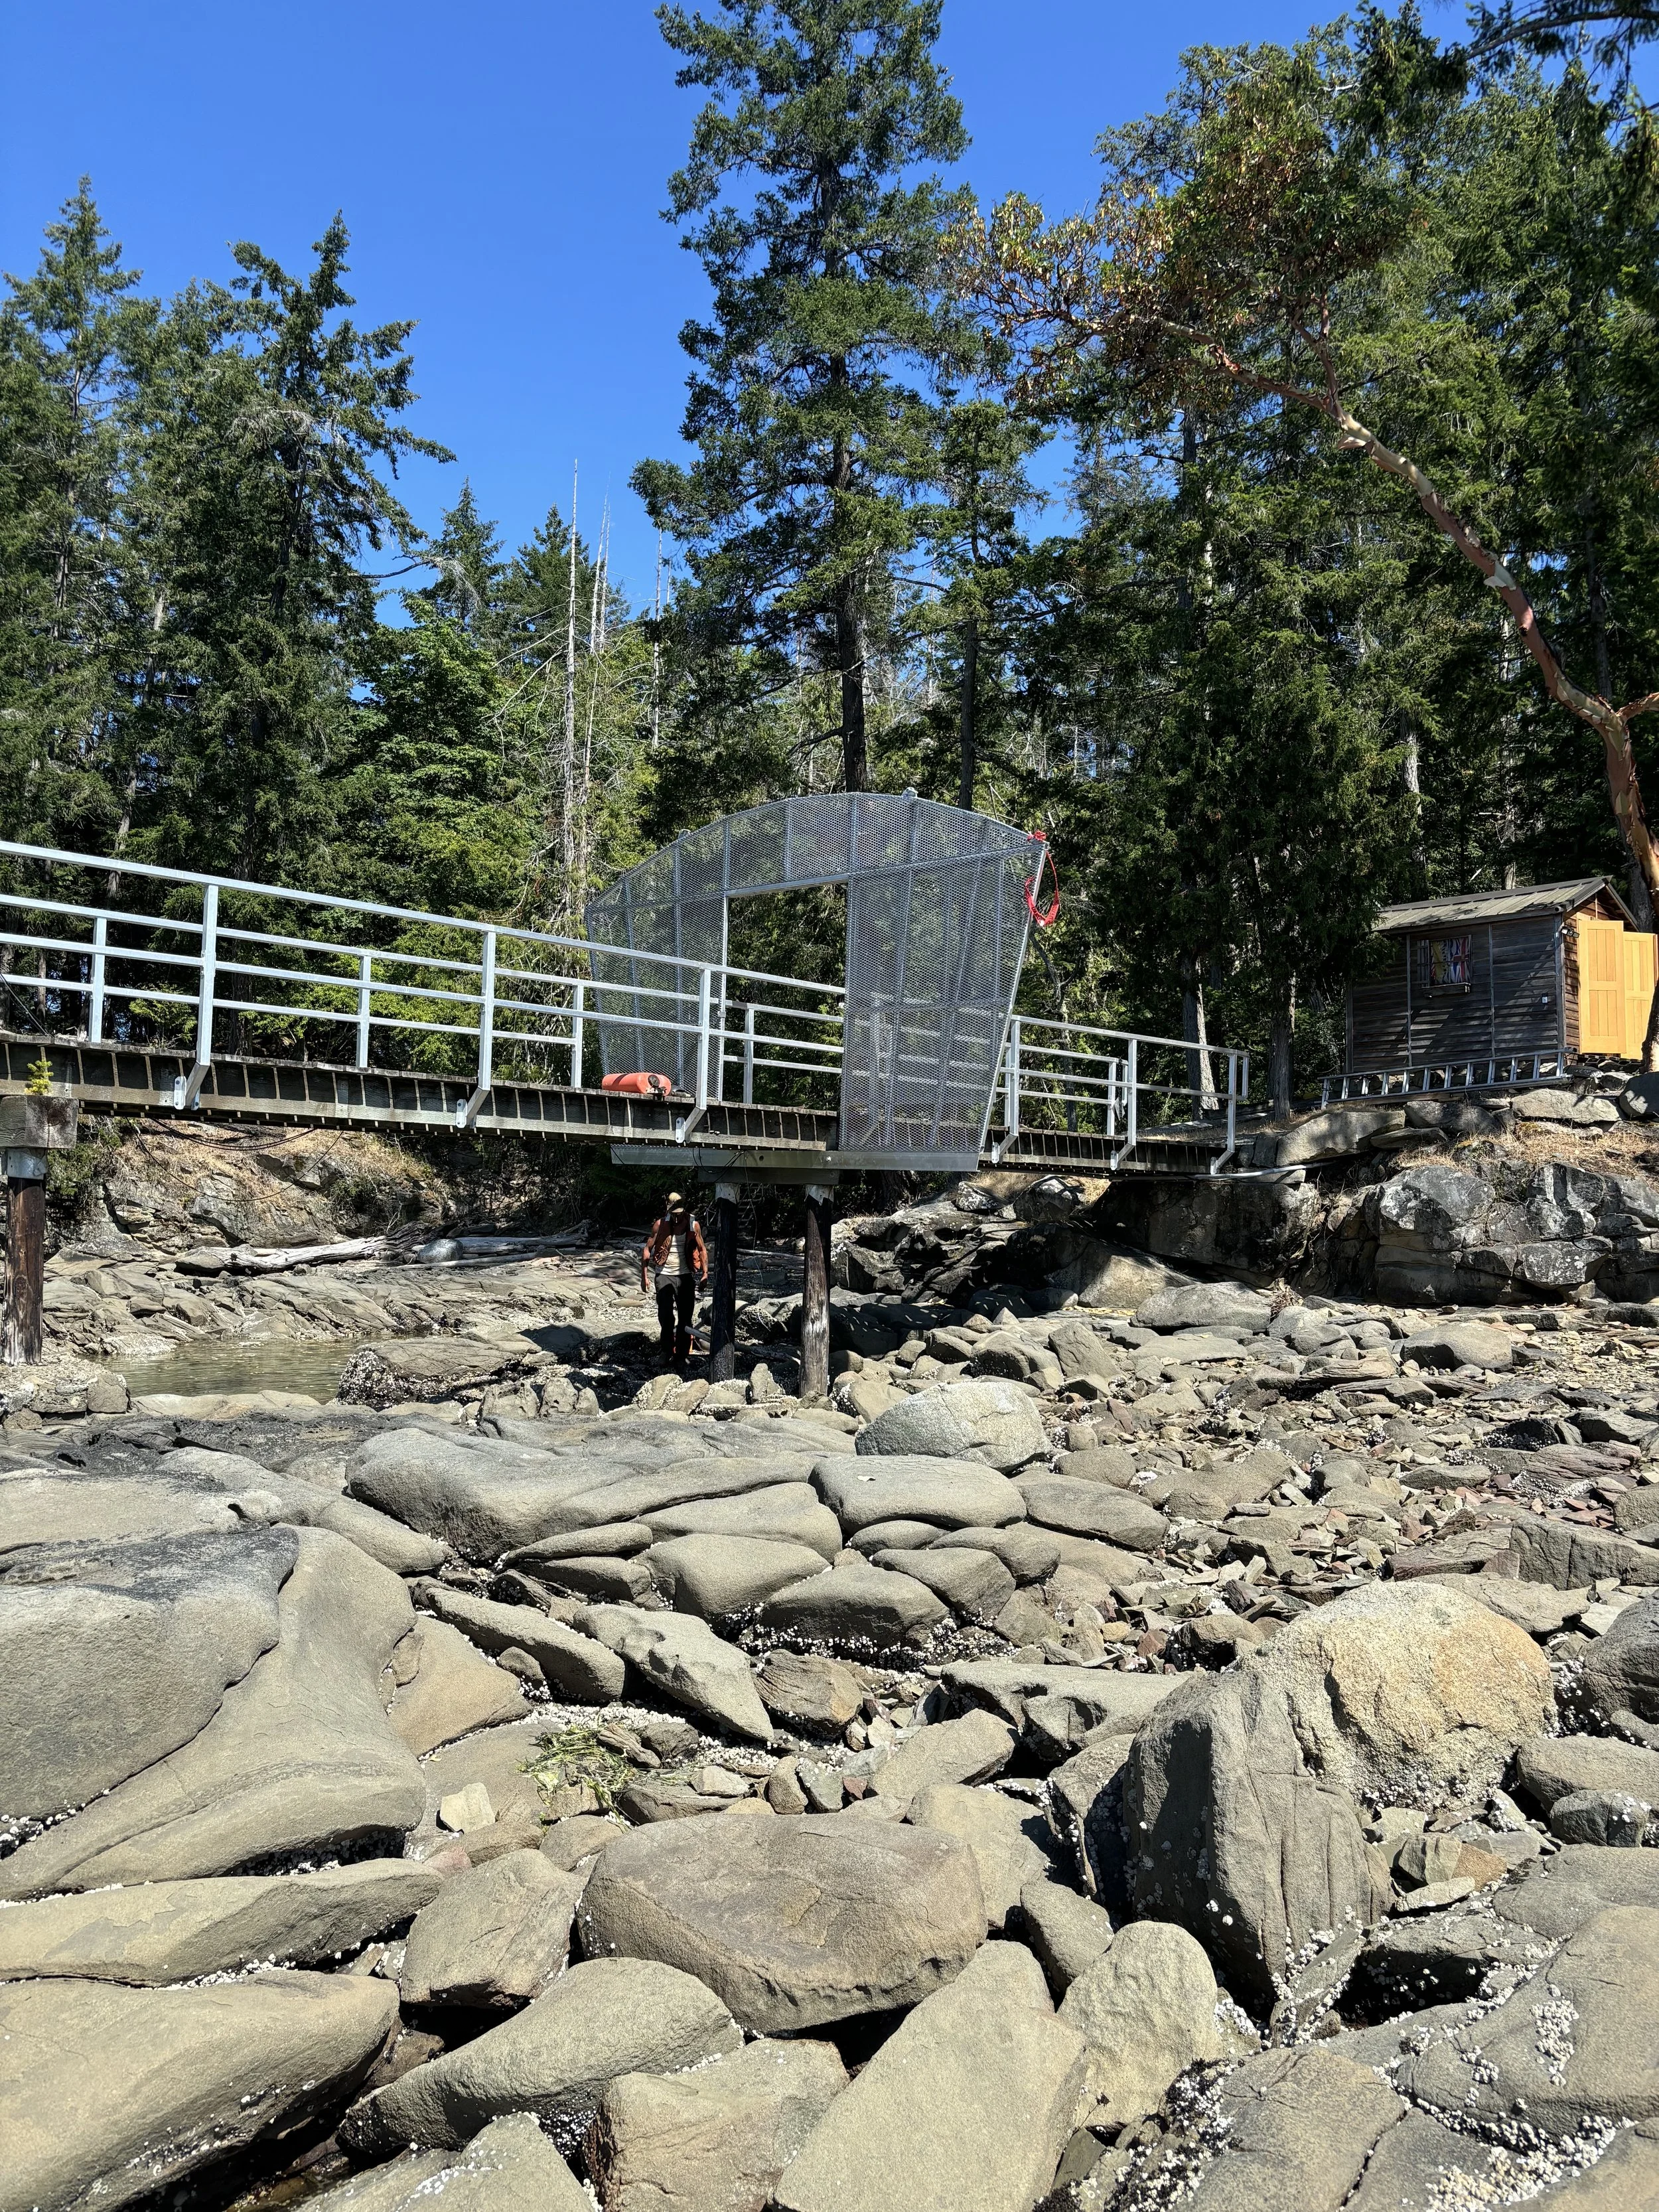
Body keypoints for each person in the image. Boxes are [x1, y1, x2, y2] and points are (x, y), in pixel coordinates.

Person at [642, 1190, 707, 1364]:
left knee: (685, 1316)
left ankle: (682, 1355)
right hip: (664, 1274)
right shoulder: (660, 1224)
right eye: (673, 1214)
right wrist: (644, 1276)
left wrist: (705, 1273)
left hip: (685, 1275)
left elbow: (702, 1249)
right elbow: (647, 1249)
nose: (676, 1217)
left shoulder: (693, 1225)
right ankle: (666, 1351)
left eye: (679, 1213)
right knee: (665, 1316)